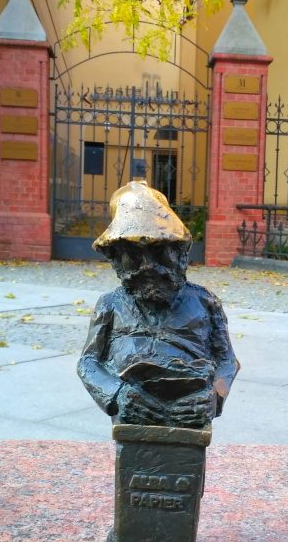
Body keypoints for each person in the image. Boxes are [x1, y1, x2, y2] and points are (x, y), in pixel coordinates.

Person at [77, 180, 239, 429]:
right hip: (132, 411)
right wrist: (117, 394)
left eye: (159, 251)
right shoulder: (109, 306)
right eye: (133, 254)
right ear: (116, 259)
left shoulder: (205, 302)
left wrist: (215, 396)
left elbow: (227, 360)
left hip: (191, 411)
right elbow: (88, 362)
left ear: (181, 254)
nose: (148, 266)